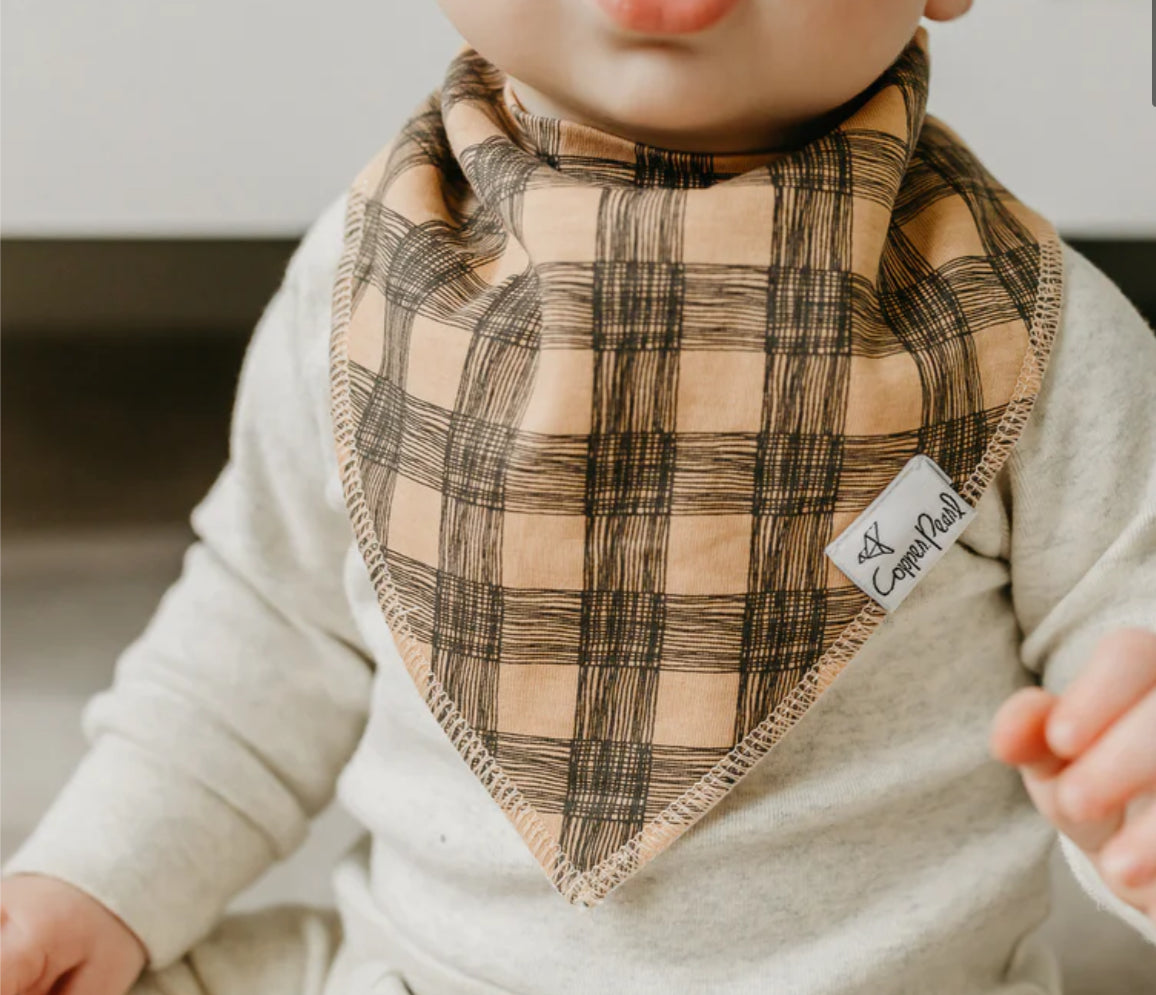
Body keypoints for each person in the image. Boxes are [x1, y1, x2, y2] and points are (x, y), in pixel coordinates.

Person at [2, 2, 1154, 993]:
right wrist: (98, 874)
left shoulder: (1027, 332)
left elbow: (1129, 657)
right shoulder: (367, 283)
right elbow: (266, 626)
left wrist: (1133, 797)